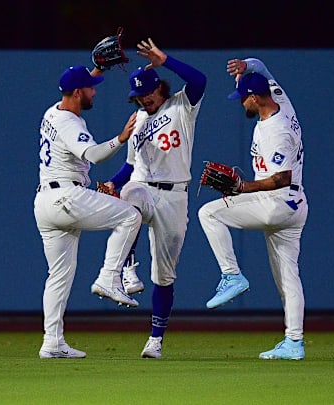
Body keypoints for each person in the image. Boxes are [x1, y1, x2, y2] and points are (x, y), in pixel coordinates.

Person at [98, 38, 207, 359]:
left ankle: (155, 339)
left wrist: (166, 60)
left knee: (164, 275)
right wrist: (112, 184)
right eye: (137, 96)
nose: (142, 100)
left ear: (159, 88)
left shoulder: (181, 105)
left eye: (146, 93)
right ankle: (125, 270)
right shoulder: (139, 121)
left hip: (175, 197)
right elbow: (131, 167)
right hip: (144, 187)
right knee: (129, 198)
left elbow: (200, 80)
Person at [197, 58, 308, 360]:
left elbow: (280, 178)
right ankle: (294, 342)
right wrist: (245, 66)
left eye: (242, 98)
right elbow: (261, 67)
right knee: (288, 277)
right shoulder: (281, 100)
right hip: (296, 206)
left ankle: (231, 275)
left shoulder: (276, 130)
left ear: (256, 98)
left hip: (277, 202)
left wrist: (244, 188)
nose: (240, 103)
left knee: (208, 213)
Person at [34, 65, 142, 359]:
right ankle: (109, 277)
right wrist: (121, 138)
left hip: (45, 201)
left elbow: (76, 81)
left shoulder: (52, 111)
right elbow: (93, 154)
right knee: (130, 215)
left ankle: (52, 342)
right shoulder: (69, 122)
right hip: (67, 197)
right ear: (79, 93)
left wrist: (93, 68)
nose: (95, 91)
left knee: (58, 276)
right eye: (91, 87)